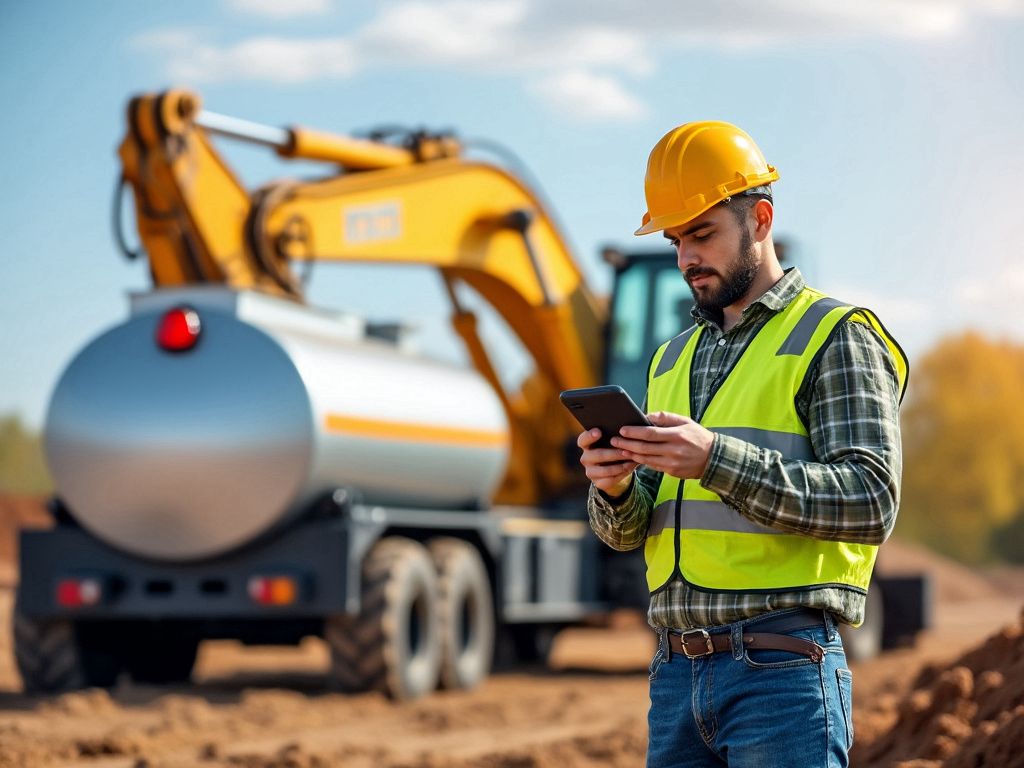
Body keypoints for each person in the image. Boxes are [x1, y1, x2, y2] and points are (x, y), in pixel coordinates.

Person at [580, 121, 908, 768]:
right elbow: (629, 532)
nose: (685, 259)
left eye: (702, 234)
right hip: (676, 677)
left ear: (760, 220)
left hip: (781, 674)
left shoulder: (835, 336)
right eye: (676, 240)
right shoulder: (670, 359)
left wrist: (714, 459)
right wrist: (614, 488)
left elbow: (872, 501)